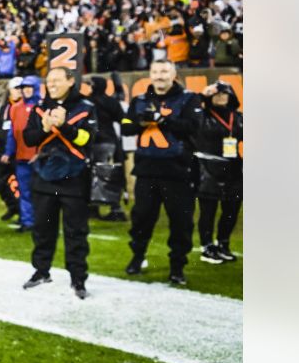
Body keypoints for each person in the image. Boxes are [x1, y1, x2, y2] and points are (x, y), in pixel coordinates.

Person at [121, 60, 203, 285]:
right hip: (147, 169)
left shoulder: (188, 98)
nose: (159, 76)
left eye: (164, 71)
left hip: (178, 170)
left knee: (181, 222)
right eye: (155, 72)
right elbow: (126, 126)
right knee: (142, 219)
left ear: (174, 74)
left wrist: (163, 120)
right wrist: (141, 120)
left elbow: (194, 126)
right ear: (150, 74)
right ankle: (137, 257)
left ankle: (177, 267)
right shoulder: (139, 100)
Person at [21, 68, 97, 299]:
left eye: (57, 80)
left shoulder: (86, 106)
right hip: (44, 176)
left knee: (76, 232)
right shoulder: (39, 107)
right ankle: (41, 271)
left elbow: (87, 139)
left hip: (74, 178)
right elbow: (28, 138)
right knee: (43, 229)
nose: (52, 84)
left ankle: (78, 278)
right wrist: (44, 128)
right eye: (49, 80)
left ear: (70, 81)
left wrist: (64, 126)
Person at [195, 81, 243, 264]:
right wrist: (202, 95)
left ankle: (223, 244)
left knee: (231, 210)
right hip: (208, 168)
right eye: (216, 94)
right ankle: (207, 246)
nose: (221, 97)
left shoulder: (238, 117)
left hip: (233, 168)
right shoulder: (201, 116)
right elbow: (189, 111)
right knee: (208, 210)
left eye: (225, 94)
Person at [85, 75, 128, 221]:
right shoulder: (111, 101)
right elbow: (122, 118)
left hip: (93, 142)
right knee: (109, 174)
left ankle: (94, 208)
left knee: (95, 175)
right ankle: (115, 207)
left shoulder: (88, 101)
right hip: (109, 142)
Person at [5, 75, 43, 233]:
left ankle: (40, 221)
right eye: (24, 87)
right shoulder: (15, 108)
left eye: (29, 87)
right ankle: (27, 221)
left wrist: (41, 153)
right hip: (21, 156)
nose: (26, 90)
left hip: (40, 157)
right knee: (24, 191)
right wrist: (8, 152)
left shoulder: (43, 107)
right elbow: (12, 133)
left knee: (40, 192)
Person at [0, 77, 24, 222]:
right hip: (3, 152)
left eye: (20, 88)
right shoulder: (5, 108)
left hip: (20, 153)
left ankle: (24, 213)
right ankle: (13, 206)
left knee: (22, 185)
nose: (19, 91)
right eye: (16, 88)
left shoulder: (27, 106)